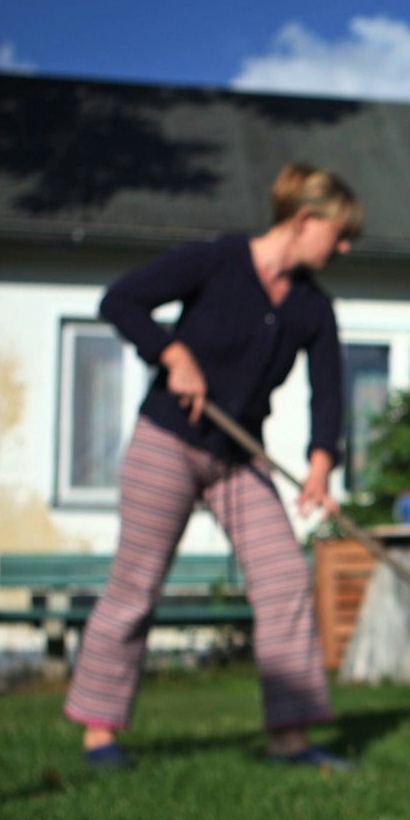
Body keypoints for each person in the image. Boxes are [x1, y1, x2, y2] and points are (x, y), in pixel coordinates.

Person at [63, 162, 361, 770]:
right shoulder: (219, 261)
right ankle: (101, 735)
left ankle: (290, 741)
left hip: (237, 457)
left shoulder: (312, 307)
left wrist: (320, 465)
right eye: (341, 232)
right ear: (305, 222)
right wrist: (172, 352)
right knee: (137, 586)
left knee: (283, 582)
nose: (346, 246)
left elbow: (327, 391)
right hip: (167, 441)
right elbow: (121, 301)